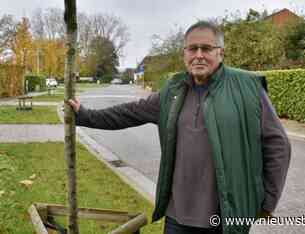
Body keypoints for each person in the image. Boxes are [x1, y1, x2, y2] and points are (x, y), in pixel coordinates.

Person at [69, 21, 291, 234]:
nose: (199, 55)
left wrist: (268, 200)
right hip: (178, 216)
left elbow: (278, 144)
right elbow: (128, 113)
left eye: (206, 48)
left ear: (220, 52)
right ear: (184, 54)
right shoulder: (173, 91)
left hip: (226, 214)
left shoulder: (247, 88)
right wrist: (84, 115)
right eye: (192, 49)